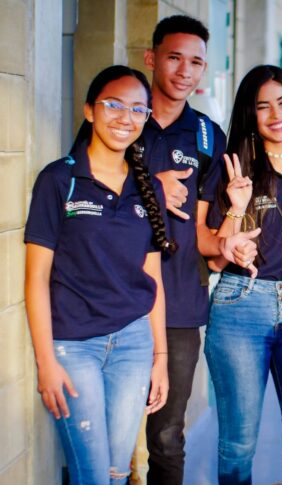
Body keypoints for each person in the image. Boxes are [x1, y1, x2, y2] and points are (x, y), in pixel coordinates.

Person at [24, 65, 170, 484]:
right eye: (114, 105)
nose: (126, 118)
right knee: (92, 475)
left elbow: (152, 276)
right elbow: (36, 278)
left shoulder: (148, 187)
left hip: (133, 344)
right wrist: (46, 360)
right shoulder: (60, 179)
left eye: (138, 110)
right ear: (90, 110)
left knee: (115, 471)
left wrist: (159, 358)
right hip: (74, 347)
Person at [205, 64, 282, 484]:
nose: (276, 113)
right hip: (242, 303)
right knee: (238, 442)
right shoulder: (234, 168)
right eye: (263, 106)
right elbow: (216, 256)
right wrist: (237, 208)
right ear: (250, 116)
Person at [140, 15, 232, 484]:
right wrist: (150, 187)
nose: (184, 71)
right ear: (151, 58)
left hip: (178, 303)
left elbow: (200, 228)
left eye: (195, 62)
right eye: (174, 57)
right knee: (109, 432)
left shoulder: (206, 136)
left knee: (167, 436)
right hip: (113, 299)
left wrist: (227, 240)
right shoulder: (124, 116)